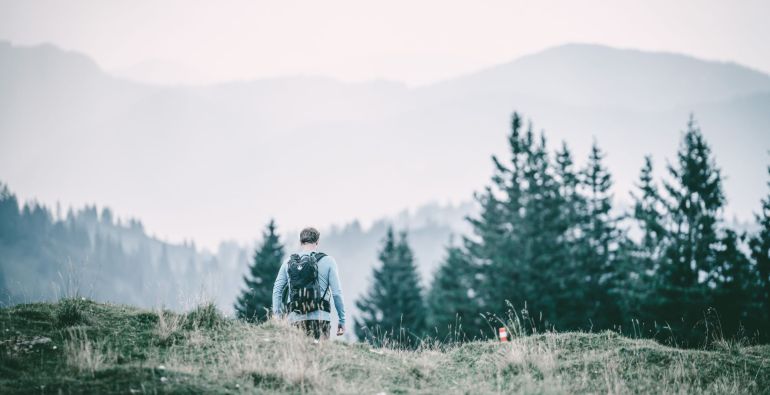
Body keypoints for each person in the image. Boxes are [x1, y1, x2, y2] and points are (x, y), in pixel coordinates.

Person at [271, 227, 346, 339]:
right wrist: (342, 319)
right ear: (317, 241)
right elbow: (336, 293)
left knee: (297, 356)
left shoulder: (288, 262)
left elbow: (277, 290)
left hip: (295, 320)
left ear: (301, 242)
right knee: (320, 355)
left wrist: (277, 318)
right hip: (321, 319)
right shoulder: (329, 261)